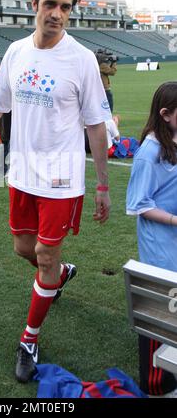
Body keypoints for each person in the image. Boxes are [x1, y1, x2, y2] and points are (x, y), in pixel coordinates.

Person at [0, 0, 111, 384]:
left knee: (45, 254)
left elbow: (95, 126)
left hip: (61, 180)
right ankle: (61, 274)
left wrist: (103, 184)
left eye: (66, 7)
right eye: (50, 4)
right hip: (22, 175)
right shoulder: (16, 53)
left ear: (71, 13)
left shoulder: (82, 59)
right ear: (33, 4)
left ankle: (29, 339)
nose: (57, 13)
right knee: (25, 250)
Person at [126, 81, 177, 398]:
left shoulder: (172, 139)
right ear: (166, 114)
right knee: (163, 311)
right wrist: (174, 220)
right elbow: (138, 204)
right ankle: (158, 383)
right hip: (161, 242)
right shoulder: (149, 152)